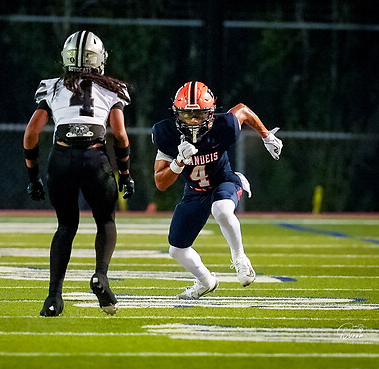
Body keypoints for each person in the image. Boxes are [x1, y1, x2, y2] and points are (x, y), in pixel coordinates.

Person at [23, 30, 135, 316]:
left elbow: (31, 133)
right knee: (106, 221)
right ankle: (100, 276)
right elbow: (120, 135)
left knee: (65, 226)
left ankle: (53, 297)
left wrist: (33, 177)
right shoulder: (112, 89)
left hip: (61, 159)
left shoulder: (52, 87)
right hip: (95, 159)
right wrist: (125, 173)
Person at [152, 81, 282, 299]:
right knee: (176, 250)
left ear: (211, 113)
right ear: (177, 113)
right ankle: (205, 281)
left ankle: (240, 259)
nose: (193, 121)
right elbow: (160, 183)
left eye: (199, 115)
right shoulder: (167, 134)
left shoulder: (224, 126)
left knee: (221, 209)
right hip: (194, 191)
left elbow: (242, 110)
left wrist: (266, 135)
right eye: (187, 115)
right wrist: (178, 162)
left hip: (223, 181)